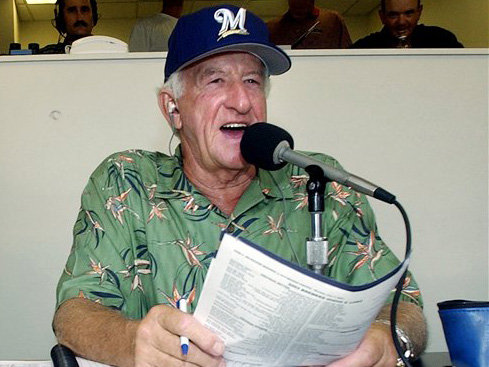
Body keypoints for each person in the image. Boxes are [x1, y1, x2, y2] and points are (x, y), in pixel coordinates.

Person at [52, 5, 427, 367]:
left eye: (252, 81)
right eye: (216, 80)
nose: (242, 101)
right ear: (173, 108)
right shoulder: (126, 181)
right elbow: (74, 314)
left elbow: (405, 305)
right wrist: (135, 343)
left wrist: (387, 339)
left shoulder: (318, 179)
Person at [351, 0, 463, 48]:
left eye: (409, 13)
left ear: (419, 12)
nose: (401, 22)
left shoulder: (443, 41)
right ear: (382, 16)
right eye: (393, 15)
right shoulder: (364, 48)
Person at [266, 0, 351, 49]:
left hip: (326, 74)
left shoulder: (332, 20)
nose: (299, 4)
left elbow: (348, 54)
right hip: (287, 77)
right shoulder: (272, 28)